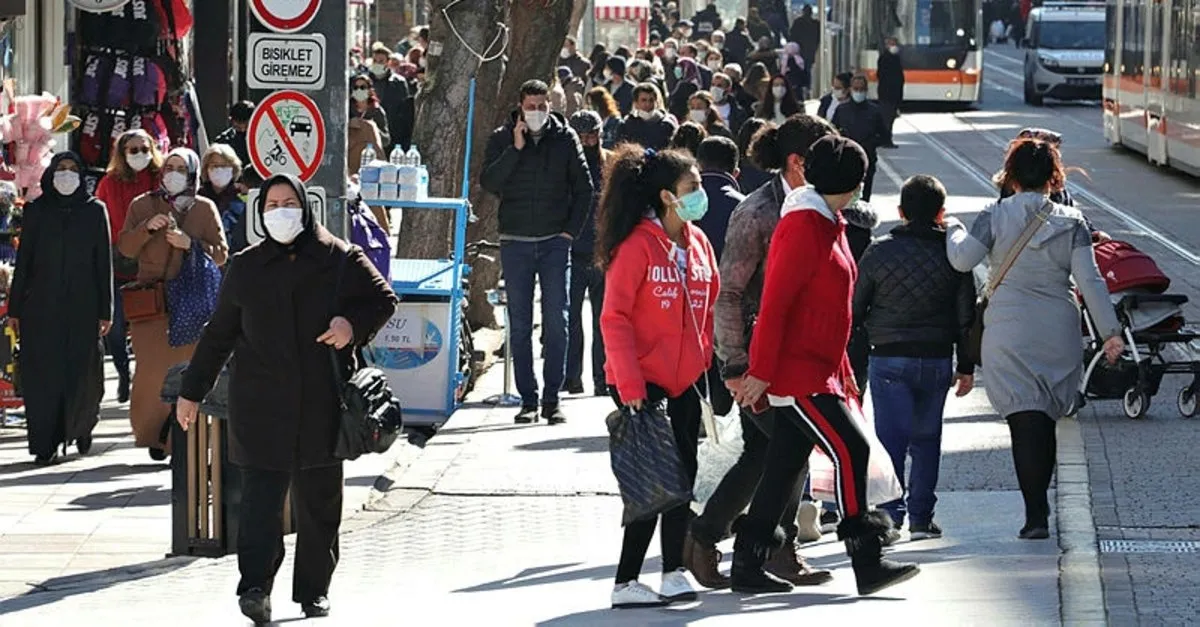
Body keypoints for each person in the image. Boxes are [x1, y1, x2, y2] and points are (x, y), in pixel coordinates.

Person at [176, 174, 397, 623]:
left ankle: (314, 591)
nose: (280, 211)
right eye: (272, 204)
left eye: (289, 202)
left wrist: (350, 326)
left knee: (319, 506)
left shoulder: (338, 257)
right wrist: (191, 392)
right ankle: (254, 588)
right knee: (259, 506)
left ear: (305, 206)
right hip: (260, 405)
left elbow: (383, 299)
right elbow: (219, 335)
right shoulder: (246, 265)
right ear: (261, 212)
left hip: (321, 402)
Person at [733, 135, 920, 595]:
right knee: (851, 450)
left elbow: (830, 310)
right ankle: (867, 558)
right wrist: (759, 370)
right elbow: (777, 303)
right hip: (798, 372)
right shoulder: (805, 224)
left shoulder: (826, 220)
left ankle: (748, 565)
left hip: (817, 367)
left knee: (782, 468)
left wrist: (843, 369)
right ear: (853, 181)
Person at [685, 116, 838, 591]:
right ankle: (769, 546)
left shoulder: (816, 206)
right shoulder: (758, 212)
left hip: (797, 357)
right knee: (787, 449)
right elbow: (728, 292)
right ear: (798, 163)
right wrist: (734, 364)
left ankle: (710, 537)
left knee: (766, 452)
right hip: (758, 358)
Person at [945, 138, 1124, 540]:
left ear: (1009, 177)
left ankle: (1035, 515)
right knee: (1045, 420)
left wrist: (953, 228)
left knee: (1024, 423)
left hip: (1008, 331)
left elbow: (962, 260)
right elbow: (1090, 282)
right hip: (1058, 329)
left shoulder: (993, 214)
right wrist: (1110, 334)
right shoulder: (1072, 221)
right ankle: (1040, 504)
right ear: (1053, 178)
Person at [598, 145, 718, 608]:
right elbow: (615, 318)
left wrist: (707, 363)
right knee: (655, 483)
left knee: (682, 479)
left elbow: (707, 307)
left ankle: (672, 571)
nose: (700, 195)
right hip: (641, 382)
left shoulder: (699, 242)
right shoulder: (637, 246)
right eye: (693, 188)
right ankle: (626, 581)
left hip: (685, 379)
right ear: (668, 196)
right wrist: (630, 388)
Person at [853, 174, 976, 538]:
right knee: (927, 438)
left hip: (888, 357)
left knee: (890, 439)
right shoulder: (953, 256)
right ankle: (922, 517)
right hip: (937, 358)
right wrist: (966, 365)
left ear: (900, 211)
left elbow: (856, 308)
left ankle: (891, 516)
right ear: (942, 213)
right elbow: (966, 316)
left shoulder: (879, 250)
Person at [481, 80, 593, 424]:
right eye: (531, 106)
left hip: (554, 243)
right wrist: (515, 149)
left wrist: (568, 233)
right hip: (515, 241)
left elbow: (585, 188)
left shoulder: (565, 138)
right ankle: (527, 399)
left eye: (542, 105)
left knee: (557, 321)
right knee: (519, 323)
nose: (537, 112)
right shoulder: (502, 138)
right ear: (519, 106)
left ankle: (551, 399)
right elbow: (489, 182)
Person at [118, 148, 229, 461]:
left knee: (187, 372)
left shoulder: (204, 208)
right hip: (151, 304)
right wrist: (146, 229)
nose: (174, 174)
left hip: (191, 305)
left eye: (181, 168)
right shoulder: (142, 204)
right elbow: (125, 247)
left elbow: (221, 254)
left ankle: (184, 436)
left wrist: (190, 244)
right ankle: (154, 436)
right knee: (151, 373)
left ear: (193, 173)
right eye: (169, 167)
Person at [9, 152, 111, 466]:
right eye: (61, 169)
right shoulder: (38, 211)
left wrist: (106, 310)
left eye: (72, 170)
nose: (66, 175)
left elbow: (102, 263)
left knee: (81, 372)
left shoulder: (94, 211)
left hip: (83, 306)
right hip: (41, 306)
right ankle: (44, 441)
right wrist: (15, 307)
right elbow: (24, 261)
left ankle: (79, 427)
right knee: (43, 374)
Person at [95, 129, 163, 403]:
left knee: (149, 322)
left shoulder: (160, 179)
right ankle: (123, 370)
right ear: (122, 154)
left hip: (151, 258)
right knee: (116, 323)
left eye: (144, 149)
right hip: (117, 257)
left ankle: (147, 375)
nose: (139, 155)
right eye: (133, 150)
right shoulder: (109, 183)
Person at [565, 111, 609, 396]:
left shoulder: (610, 164)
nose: (586, 141)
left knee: (603, 321)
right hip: (570, 251)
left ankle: (602, 378)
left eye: (591, 135)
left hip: (603, 252)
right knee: (569, 321)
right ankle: (571, 378)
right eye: (581, 136)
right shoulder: (564, 165)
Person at [831, 74, 886, 201]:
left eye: (861, 89)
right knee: (847, 192)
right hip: (846, 158)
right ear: (850, 89)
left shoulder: (875, 111)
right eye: (856, 89)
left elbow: (884, 135)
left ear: (866, 90)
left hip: (868, 157)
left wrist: (872, 142)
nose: (858, 92)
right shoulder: (842, 110)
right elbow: (833, 131)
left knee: (865, 196)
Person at [198, 144, 248, 255]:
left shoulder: (243, 199)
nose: (219, 169)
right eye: (214, 166)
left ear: (233, 169)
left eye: (224, 165)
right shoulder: (197, 198)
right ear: (206, 169)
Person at [367, 42, 413, 152]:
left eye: (381, 61)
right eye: (375, 61)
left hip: (394, 131)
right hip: (372, 133)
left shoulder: (399, 82)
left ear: (388, 63)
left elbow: (405, 111)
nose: (377, 64)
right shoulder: (366, 82)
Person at [615, 83, 679, 150]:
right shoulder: (626, 125)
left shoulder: (667, 124)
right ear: (636, 103)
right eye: (643, 100)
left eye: (651, 100)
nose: (648, 104)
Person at [349, 74, 391, 153]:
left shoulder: (377, 111)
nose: (359, 90)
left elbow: (386, 140)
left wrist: (371, 127)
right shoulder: (347, 109)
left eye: (362, 87)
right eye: (355, 88)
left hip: (370, 153)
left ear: (370, 90)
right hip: (351, 152)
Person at [877, 38, 905, 148]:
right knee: (886, 118)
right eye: (891, 44)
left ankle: (887, 139)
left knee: (891, 118)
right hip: (887, 94)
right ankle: (885, 140)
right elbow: (882, 76)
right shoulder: (885, 58)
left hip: (894, 94)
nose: (893, 46)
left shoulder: (896, 58)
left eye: (894, 44)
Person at [214, 101, 254, 167]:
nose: (242, 129)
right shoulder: (223, 141)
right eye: (238, 124)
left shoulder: (260, 138)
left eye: (246, 125)